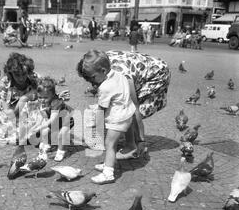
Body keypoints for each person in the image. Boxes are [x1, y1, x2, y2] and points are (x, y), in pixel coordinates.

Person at [77, 50, 171, 162]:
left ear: (103, 70)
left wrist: (141, 140)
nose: (92, 84)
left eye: (92, 78)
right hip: (142, 67)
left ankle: (132, 146)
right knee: (121, 108)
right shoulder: (99, 62)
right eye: (88, 80)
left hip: (157, 72)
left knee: (126, 108)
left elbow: (134, 108)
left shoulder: (121, 76)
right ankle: (128, 139)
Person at [77, 51, 137, 184]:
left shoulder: (104, 87)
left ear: (103, 71)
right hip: (128, 113)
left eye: (93, 77)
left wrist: (93, 124)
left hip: (117, 119)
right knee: (112, 144)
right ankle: (107, 163)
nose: (92, 81)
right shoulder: (118, 74)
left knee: (109, 145)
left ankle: (108, 173)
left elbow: (101, 109)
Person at [28, 77, 74, 162]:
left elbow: (52, 120)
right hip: (55, 120)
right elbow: (43, 117)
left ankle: (61, 151)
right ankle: (47, 145)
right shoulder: (42, 102)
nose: (42, 100)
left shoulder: (55, 103)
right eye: (40, 97)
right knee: (45, 132)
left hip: (65, 120)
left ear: (53, 95)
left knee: (62, 134)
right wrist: (35, 127)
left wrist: (39, 127)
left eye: (45, 97)